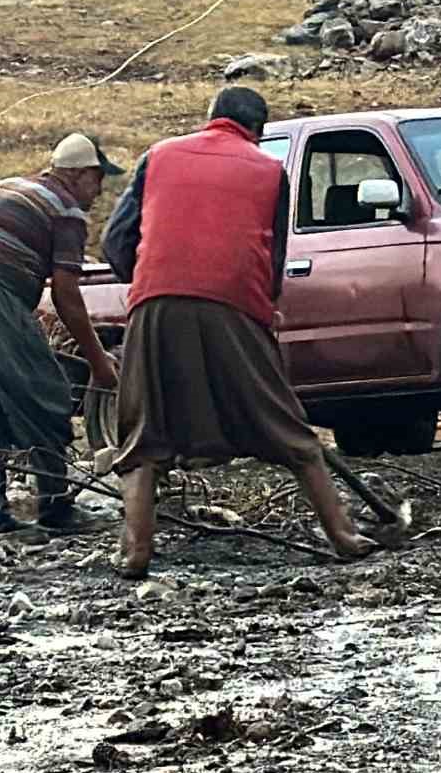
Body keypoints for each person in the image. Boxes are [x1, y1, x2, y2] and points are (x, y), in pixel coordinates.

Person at [103, 86, 377, 579]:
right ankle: (342, 535)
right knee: (285, 424)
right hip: (233, 303)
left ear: (210, 118)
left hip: (155, 304)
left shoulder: (158, 156)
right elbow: (273, 257)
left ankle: (135, 551)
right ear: (260, 132)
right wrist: (263, 307)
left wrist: (151, 277)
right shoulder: (270, 171)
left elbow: (116, 241)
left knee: (143, 430)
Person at [0, 133, 123, 537]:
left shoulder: (6, 186)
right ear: (81, 174)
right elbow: (66, 293)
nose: (99, 191)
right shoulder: (66, 209)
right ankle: (56, 509)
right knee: (45, 394)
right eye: (97, 180)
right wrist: (99, 363)